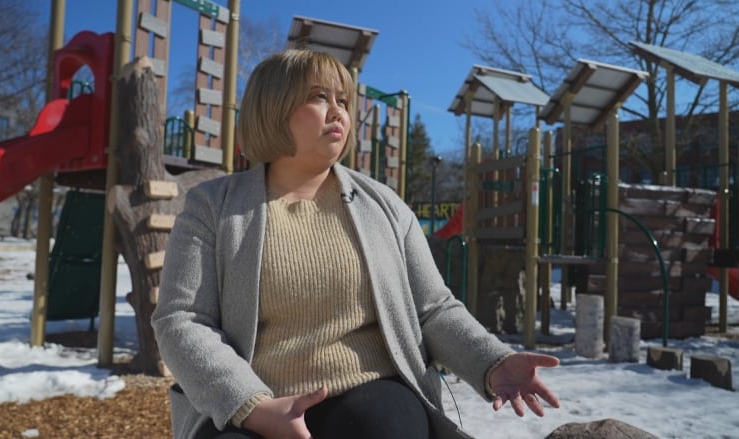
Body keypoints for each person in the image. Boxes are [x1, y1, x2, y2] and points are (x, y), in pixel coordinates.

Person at [151, 48, 560, 439]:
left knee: (385, 426)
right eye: (318, 97)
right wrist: (251, 406)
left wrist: (492, 362)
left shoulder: (385, 206)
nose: (338, 111)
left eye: (343, 101)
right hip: (249, 403)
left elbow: (433, 309)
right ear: (273, 108)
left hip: (370, 392)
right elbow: (182, 319)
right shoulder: (213, 206)